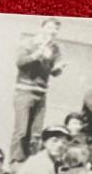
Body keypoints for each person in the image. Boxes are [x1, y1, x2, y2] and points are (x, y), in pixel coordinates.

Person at [11, 18, 65, 162]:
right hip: (24, 91)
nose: (53, 31)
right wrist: (36, 55)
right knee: (21, 131)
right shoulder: (29, 43)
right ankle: (14, 163)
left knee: (36, 132)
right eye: (50, 27)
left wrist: (58, 69)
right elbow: (20, 63)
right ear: (42, 28)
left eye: (56, 29)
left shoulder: (55, 48)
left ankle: (31, 162)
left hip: (41, 93)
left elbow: (54, 71)